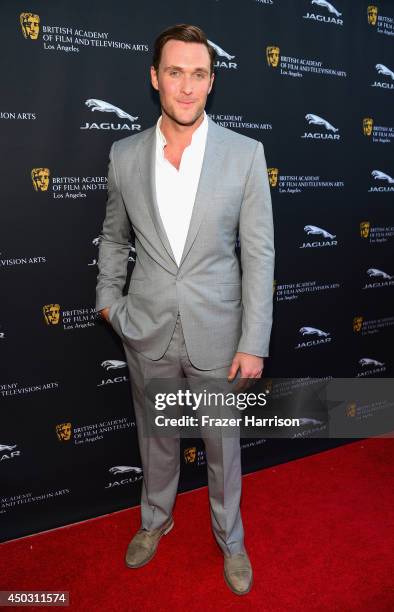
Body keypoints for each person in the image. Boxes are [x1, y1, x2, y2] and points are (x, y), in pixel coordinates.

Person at [96, 23, 274, 596]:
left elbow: (259, 253)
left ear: (212, 81)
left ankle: (231, 539)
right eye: (176, 72)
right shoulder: (124, 155)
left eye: (199, 73)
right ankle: (156, 519)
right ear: (155, 79)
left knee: (222, 446)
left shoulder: (245, 155)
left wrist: (255, 339)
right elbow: (114, 238)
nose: (187, 86)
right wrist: (107, 301)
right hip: (147, 329)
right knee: (156, 437)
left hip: (219, 333)